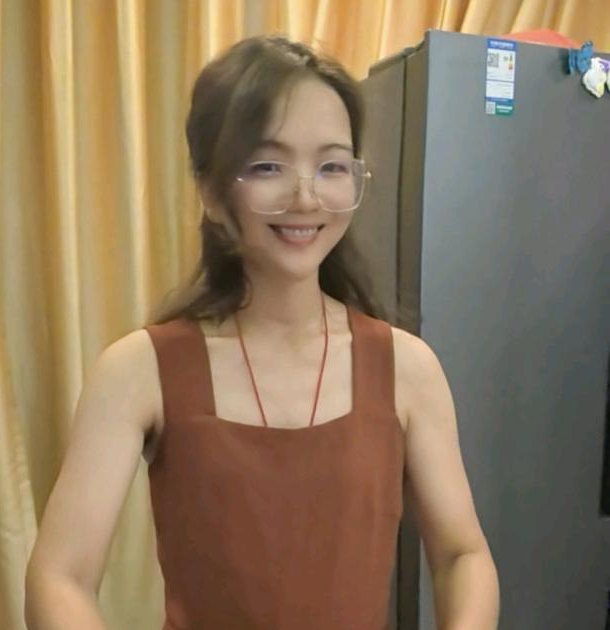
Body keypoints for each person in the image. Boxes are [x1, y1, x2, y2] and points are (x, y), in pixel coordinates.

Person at [25, 36, 499, 630]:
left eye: (332, 166)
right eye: (269, 166)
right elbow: (60, 577)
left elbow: (462, 555)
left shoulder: (407, 367)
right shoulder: (138, 370)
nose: (305, 196)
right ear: (212, 192)